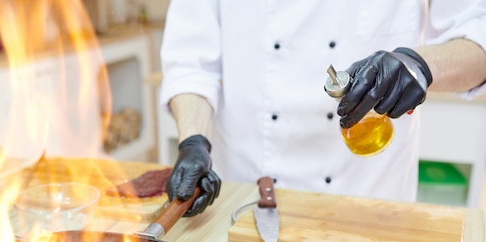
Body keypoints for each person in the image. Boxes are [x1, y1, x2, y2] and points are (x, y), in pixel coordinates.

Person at [159, 1, 486, 216]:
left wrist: (418, 64)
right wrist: (193, 142)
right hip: (246, 199)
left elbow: (478, 36)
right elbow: (191, 61)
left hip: (369, 201)